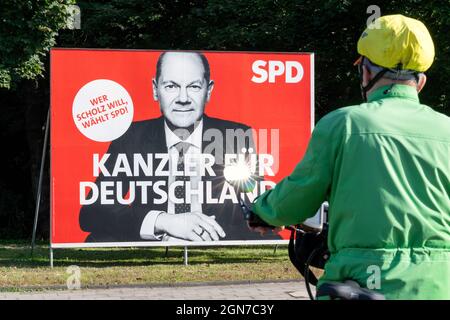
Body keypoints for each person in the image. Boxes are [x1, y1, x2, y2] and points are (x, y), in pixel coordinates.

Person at [252, 14, 450, 299]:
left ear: (366, 73)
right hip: (439, 283)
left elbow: (298, 196)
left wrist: (263, 211)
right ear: (421, 81)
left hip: (363, 279)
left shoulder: (343, 124)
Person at [80, 51, 279, 243]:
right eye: (171, 86)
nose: (183, 99)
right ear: (155, 89)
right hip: (152, 242)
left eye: (193, 87)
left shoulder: (235, 136)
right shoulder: (130, 137)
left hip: (215, 240)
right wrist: (163, 222)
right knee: (95, 238)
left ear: (208, 91)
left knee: (270, 236)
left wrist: (202, 234)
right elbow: (93, 212)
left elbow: (254, 208)